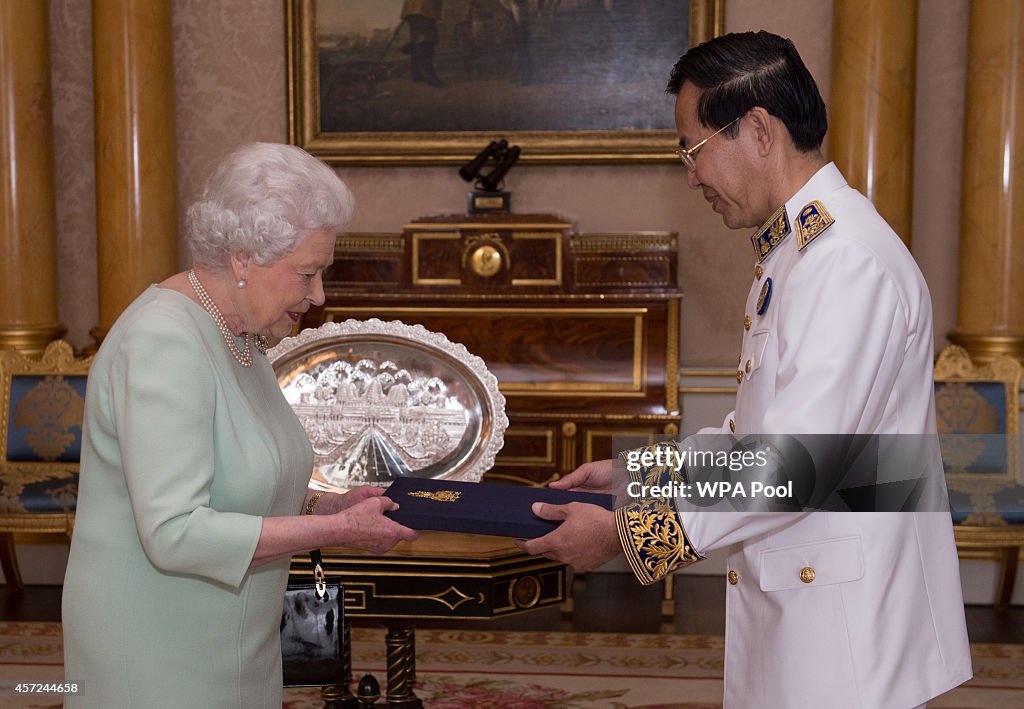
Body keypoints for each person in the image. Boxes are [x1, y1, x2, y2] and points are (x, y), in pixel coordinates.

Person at [521, 31, 973, 708]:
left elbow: (790, 463)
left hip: (846, 637)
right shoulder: (798, 251)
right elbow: (760, 433)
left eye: (693, 149)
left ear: (759, 130)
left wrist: (627, 531)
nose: (691, 174)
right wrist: (640, 474)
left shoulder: (842, 259)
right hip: (816, 602)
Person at [62, 142, 418, 708]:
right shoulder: (164, 341)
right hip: (158, 643)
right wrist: (336, 533)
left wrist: (319, 506)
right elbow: (175, 531)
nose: (318, 295)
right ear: (243, 257)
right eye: (307, 273)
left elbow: (238, 476)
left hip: (236, 637)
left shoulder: (241, 335)